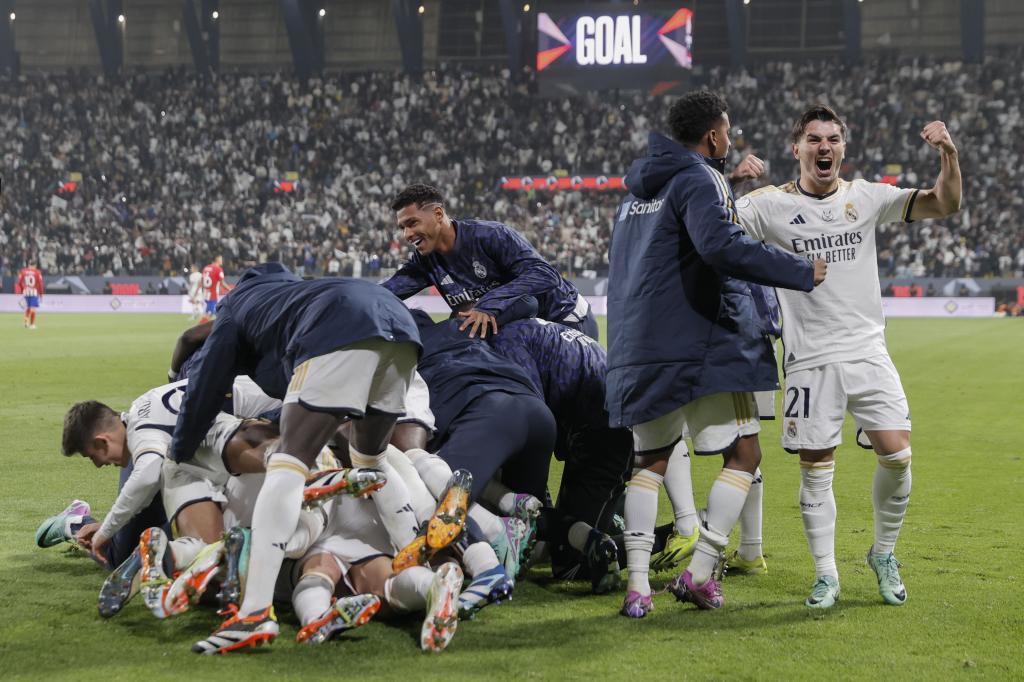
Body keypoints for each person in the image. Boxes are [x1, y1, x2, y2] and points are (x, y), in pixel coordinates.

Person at [605, 90, 826, 618]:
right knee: (745, 455)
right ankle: (701, 571)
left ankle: (637, 588)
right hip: (697, 344)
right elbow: (720, 246)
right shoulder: (701, 177)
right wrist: (799, 271)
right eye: (727, 131)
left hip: (638, 347)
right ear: (713, 135)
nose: (730, 140)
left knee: (648, 462)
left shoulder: (633, 195)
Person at [735, 105, 962, 610]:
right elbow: (714, 230)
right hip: (810, 358)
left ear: (843, 147)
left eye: (833, 139)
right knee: (817, 468)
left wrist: (948, 153)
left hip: (866, 350)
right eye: (814, 140)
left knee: (898, 455)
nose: (825, 148)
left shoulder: (866, 197)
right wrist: (727, 178)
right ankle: (825, 576)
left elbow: (945, 202)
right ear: (796, 149)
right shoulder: (768, 205)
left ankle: (882, 554)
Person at [170, 262, 423, 655]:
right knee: (370, 459)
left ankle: (253, 613)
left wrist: (181, 449)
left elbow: (205, 383)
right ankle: (420, 567)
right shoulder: (295, 292)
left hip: (341, 329)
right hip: (401, 329)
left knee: (289, 462)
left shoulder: (236, 305)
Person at [381, 183, 598, 340]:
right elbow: (386, 293)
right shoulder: (425, 261)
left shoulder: (490, 235)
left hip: (565, 317)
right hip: (523, 330)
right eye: (402, 228)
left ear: (438, 214)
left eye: (412, 223)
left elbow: (545, 274)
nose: (407, 234)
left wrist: (489, 303)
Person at [200, 256, 228, 324]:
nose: (222, 260)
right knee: (209, 315)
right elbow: (222, 283)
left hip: (206, 294)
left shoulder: (206, 268)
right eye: (221, 259)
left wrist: (203, 291)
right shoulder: (218, 269)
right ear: (217, 260)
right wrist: (230, 289)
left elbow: (202, 280)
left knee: (214, 313)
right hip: (213, 295)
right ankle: (199, 330)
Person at [16, 262, 44, 329]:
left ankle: (26, 322)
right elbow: (40, 284)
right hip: (34, 292)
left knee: (28, 307)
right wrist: (41, 294)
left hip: (26, 292)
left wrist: (23, 289)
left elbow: (19, 282)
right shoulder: (37, 272)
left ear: (29, 265)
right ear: (35, 265)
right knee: (33, 308)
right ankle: (32, 324)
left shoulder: (23, 272)